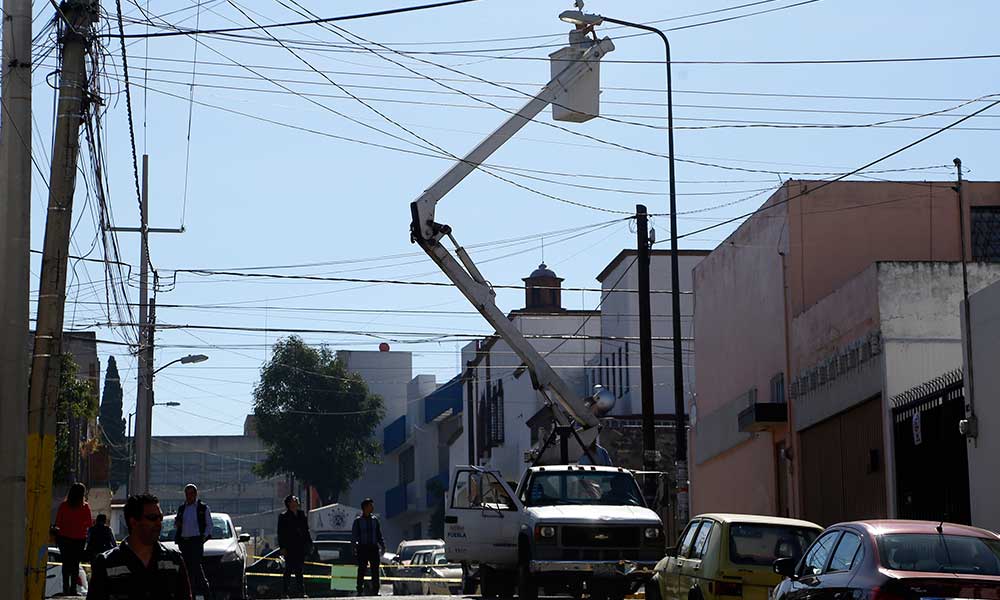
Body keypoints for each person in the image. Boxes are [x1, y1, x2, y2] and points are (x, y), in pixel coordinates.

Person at [87, 493, 192, 600]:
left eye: (160, 518)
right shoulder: (106, 563)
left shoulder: (174, 561)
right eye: (152, 518)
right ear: (133, 522)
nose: (158, 523)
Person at [54, 482, 93, 596]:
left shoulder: (63, 506)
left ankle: (65, 588)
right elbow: (89, 524)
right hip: (79, 539)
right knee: (75, 564)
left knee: (66, 564)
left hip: (64, 538)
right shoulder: (85, 507)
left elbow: (58, 523)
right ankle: (73, 589)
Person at [174, 484, 212, 598]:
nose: (189, 496)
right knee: (186, 568)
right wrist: (177, 524)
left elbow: (209, 525)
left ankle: (204, 591)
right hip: (184, 542)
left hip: (196, 541)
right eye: (187, 494)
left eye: (191, 493)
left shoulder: (202, 508)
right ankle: (190, 592)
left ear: (195, 494)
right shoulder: (182, 508)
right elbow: (177, 525)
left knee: (195, 567)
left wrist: (202, 538)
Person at [278, 495, 312, 597]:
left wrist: (309, 543)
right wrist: (282, 547)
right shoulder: (283, 516)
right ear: (289, 503)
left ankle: (301, 592)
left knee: (299, 569)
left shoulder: (301, 515)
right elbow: (281, 533)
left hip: (300, 546)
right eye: (293, 500)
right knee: (288, 570)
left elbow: (306, 530)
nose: (296, 502)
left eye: (296, 500)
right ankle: (285, 592)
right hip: (289, 547)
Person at [351, 498, 385, 596]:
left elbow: (379, 534)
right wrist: (353, 548)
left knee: (375, 570)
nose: (372, 507)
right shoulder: (358, 521)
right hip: (362, 548)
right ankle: (359, 589)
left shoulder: (375, 520)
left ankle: (375, 590)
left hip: (373, 548)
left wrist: (382, 546)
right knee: (362, 569)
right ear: (365, 507)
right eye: (370, 505)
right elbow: (354, 536)